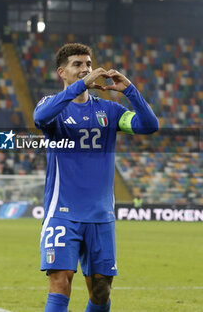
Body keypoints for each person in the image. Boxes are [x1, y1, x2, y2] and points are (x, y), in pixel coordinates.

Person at [33, 43, 159, 312]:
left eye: (88, 64)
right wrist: (80, 86)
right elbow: (39, 117)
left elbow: (149, 125)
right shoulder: (51, 107)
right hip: (62, 212)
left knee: (101, 292)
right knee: (60, 281)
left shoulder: (110, 111)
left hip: (101, 215)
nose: (86, 69)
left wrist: (130, 91)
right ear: (62, 72)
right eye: (78, 65)